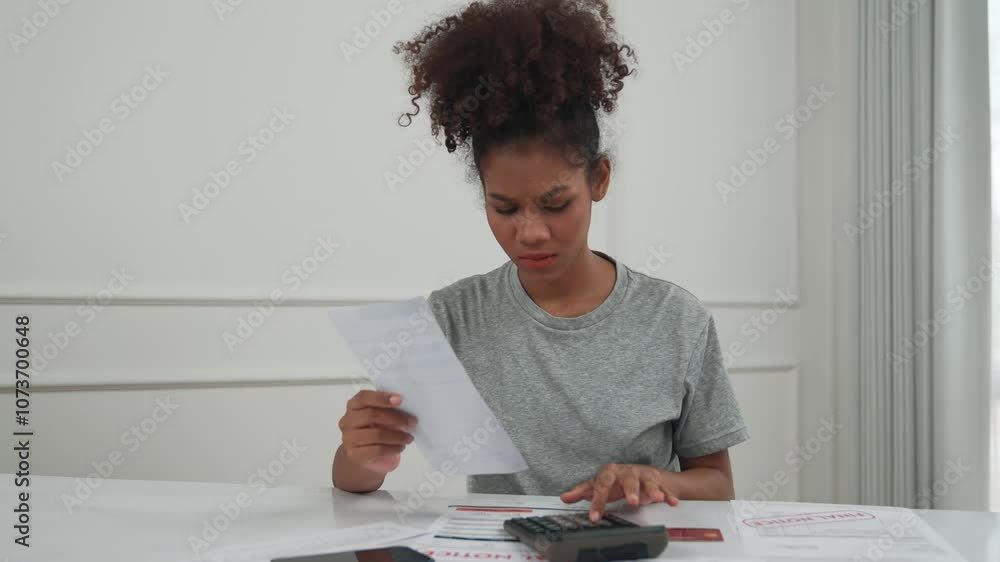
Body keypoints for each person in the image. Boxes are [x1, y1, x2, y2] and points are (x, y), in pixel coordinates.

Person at [332, 0, 749, 521]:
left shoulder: (676, 319)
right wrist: (361, 454)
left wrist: (655, 480)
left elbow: (718, 485)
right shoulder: (452, 317)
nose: (529, 233)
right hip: (499, 547)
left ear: (599, 179)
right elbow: (353, 483)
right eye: (504, 208)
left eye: (555, 204)